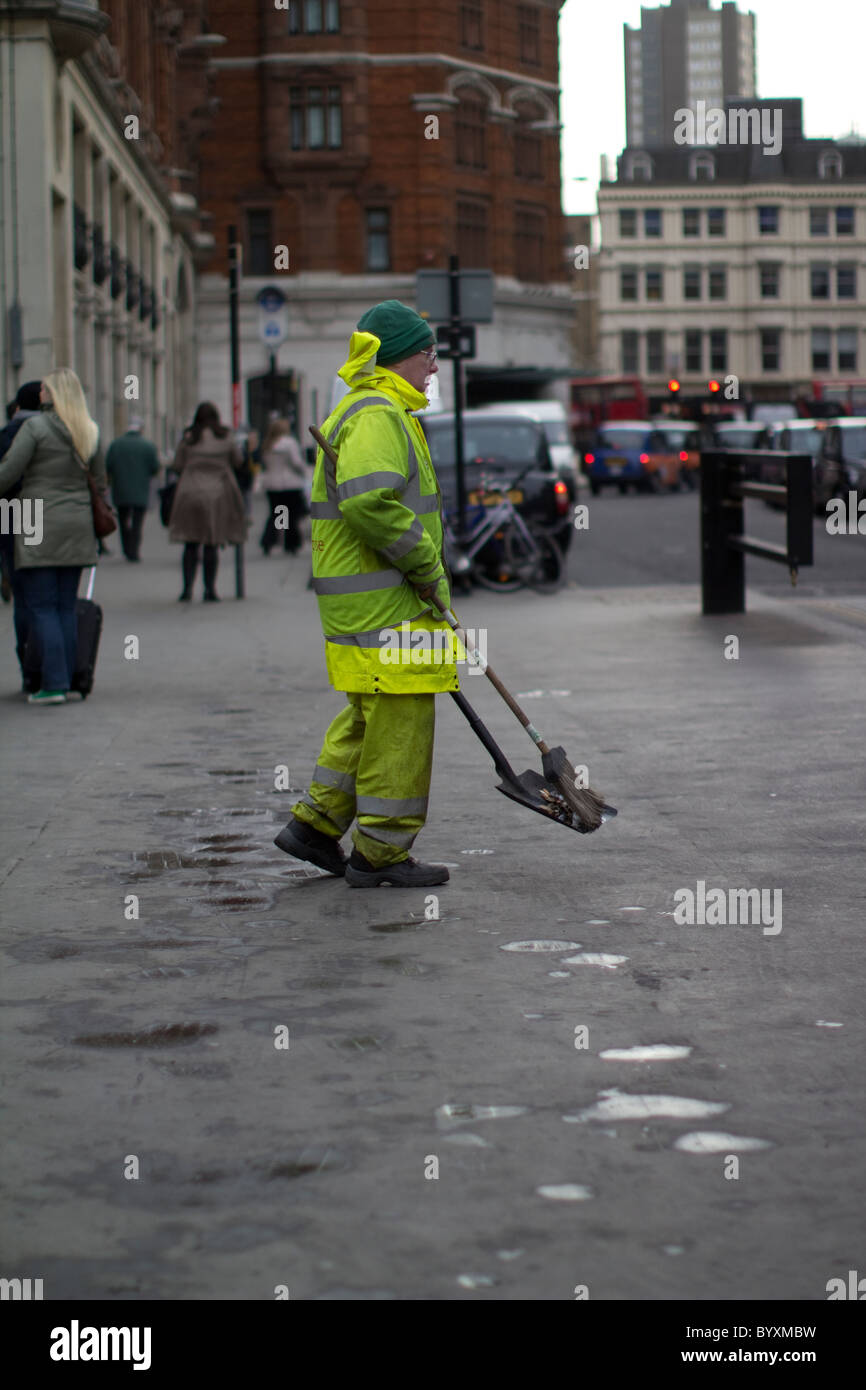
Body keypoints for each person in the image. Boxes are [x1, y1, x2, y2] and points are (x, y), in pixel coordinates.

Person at [274, 299, 460, 888]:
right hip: (392, 609)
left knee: (366, 722)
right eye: (428, 355)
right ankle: (380, 855)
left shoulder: (366, 409)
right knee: (401, 727)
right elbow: (368, 502)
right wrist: (429, 569)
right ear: (401, 357)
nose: (434, 368)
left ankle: (315, 825)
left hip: (365, 609)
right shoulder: (379, 414)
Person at [0, 368, 105, 704]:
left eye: (44, 389)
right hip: (77, 522)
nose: (40, 393)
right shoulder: (88, 431)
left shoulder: (35, 427)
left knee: (41, 606)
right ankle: (72, 677)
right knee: (64, 605)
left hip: (36, 519)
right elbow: (101, 481)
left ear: (54, 394)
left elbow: (8, 473)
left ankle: (54, 683)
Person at [168, 401, 247, 601]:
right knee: (212, 543)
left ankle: (186, 590)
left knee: (190, 543)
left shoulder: (189, 438)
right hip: (217, 494)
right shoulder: (225, 437)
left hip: (190, 492)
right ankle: (210, 590)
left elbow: (177, 464)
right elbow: (238, 461)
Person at [0, 380, 42, 635]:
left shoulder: (6, 435)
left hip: (9, 508)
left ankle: (8, 574)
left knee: (12, 558)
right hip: (38, 510)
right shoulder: (55, 432)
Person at [104, 416, 160, 561]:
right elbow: (155, 468)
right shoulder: (148, 446)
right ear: (141, 429)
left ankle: (126, 548)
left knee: (123, 521)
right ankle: (134, 550)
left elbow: (108, 466)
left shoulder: (116, 444)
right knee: (137, 522)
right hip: (140, 490)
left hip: (121, 489)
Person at [257, 416, 309, 555]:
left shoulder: (267, 444)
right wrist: (304, 472)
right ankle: (291, 543)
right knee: (291, 515)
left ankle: (269, 540)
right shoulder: (290, 443)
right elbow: (296, 463)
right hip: (290, 484)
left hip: (272, 484)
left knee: (276, 514)